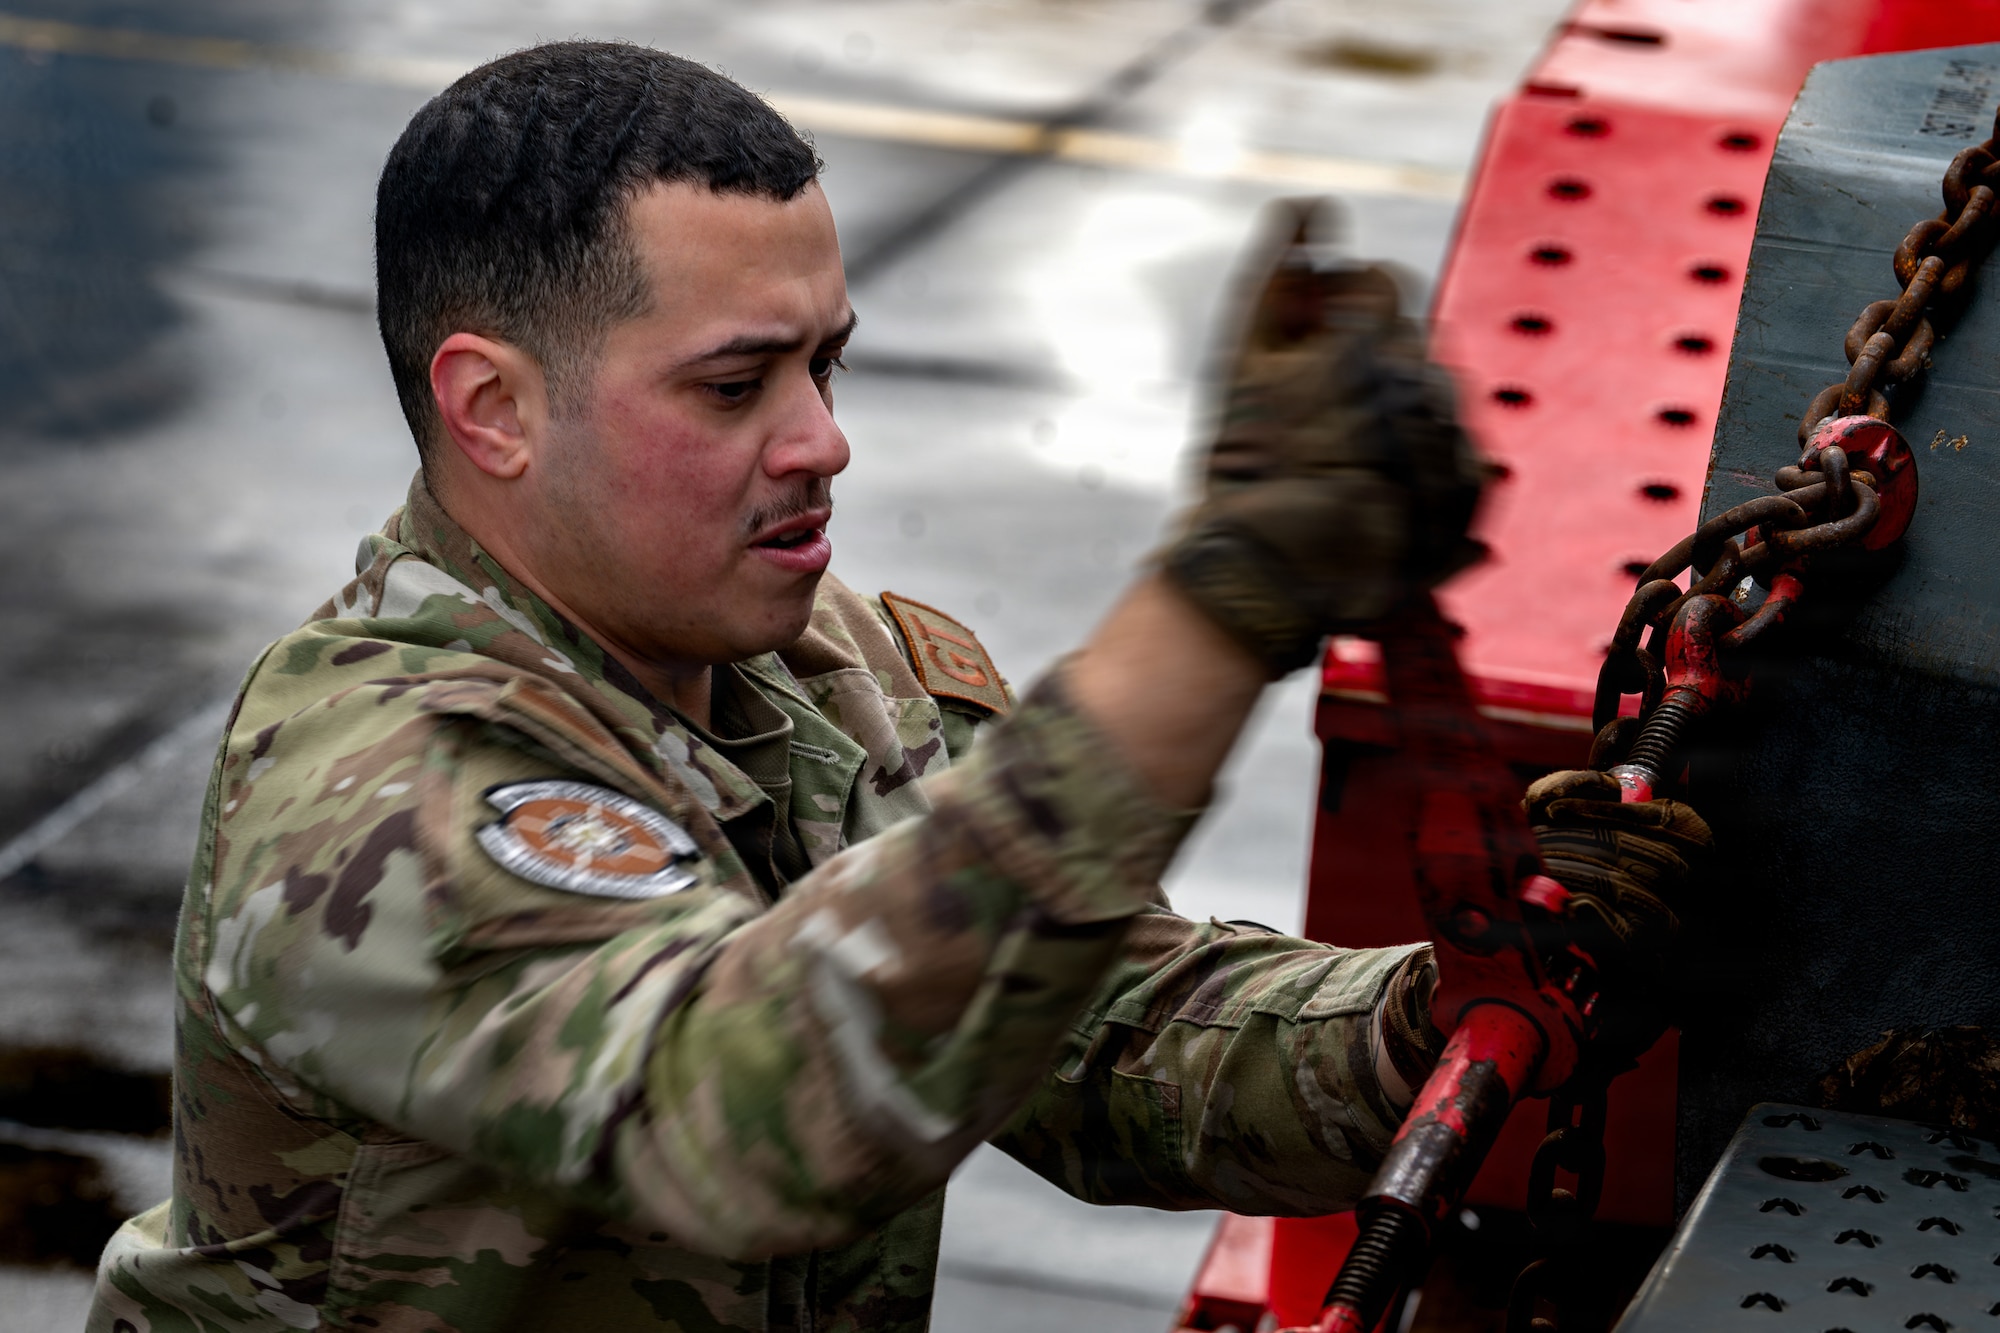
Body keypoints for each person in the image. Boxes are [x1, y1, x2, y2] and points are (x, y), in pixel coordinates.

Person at [88, 41, 1710, 1333]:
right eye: (735, 384)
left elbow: (1105, 1038)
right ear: (494, 408)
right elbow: (748, 1111)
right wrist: (1218, 612)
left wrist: (1427, 1016)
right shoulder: (384, 785)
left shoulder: (832, 672)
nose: (821, 441)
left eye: (825, 362)